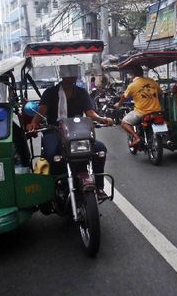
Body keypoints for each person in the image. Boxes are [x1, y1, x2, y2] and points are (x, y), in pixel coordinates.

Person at [26, 65, 114, 200]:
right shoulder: (50, 92)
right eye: (67, 76)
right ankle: (57, 184)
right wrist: (33, 123)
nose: (69, 79)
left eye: (72, 76)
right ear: (62, 76)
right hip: (54, 130)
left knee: (100, 149)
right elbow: (42, 111)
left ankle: (99, 187)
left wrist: (103, 119)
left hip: (78, 131)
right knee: (51, 153)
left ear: (75, 77)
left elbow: (90, 113)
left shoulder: (81, 92)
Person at [114, 66, 162, 147]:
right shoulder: (152, 81)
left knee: (124, 122)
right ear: (142, 73)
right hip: (156, 111)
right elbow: (160, 94)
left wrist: (119, 104)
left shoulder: (132, 85)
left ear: (133, 74)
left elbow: (124, 97)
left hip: (141, 113)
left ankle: (136, 137)